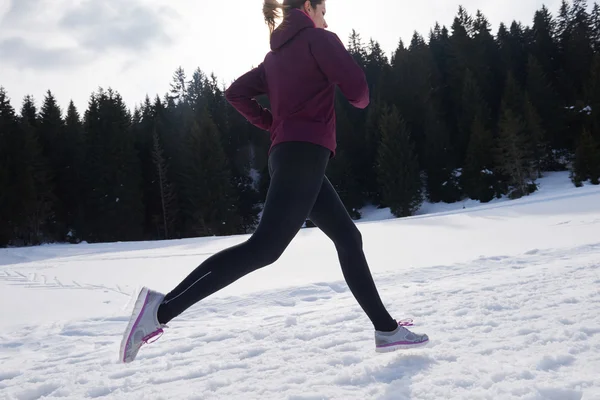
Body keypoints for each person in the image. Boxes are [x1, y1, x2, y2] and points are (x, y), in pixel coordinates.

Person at [119, 0, 429, 364]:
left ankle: (386, 330)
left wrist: (275, 124)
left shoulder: (274, 58)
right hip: (304, 155)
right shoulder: (320, 40)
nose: (326, 19)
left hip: (289, 155)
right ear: (310, 7)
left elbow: (235, 92)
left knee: (348, 237)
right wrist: (334, 61)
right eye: (323, 11)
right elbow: (359, 94)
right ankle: (160, 312)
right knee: (264, 248)